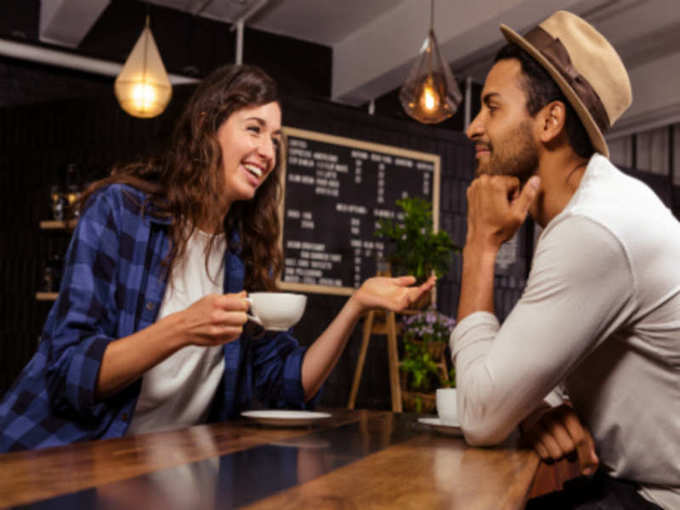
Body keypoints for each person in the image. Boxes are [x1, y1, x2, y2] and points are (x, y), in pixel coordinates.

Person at [0, 64, 434, 452]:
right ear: (208, 127)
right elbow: (68, 373)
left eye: (275, 139)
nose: (268, 151)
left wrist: (356, 305)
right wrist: (183, 328)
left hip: (155, 470)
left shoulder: (245, 250)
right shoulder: (120, 212)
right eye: (254, 129)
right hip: (59, 457)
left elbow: (289, 385)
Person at [451, 10, 679, 510]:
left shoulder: (592, 228)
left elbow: (480, 414)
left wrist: (480, 245)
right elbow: (521, 379)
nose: (473, 127)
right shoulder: (590, 212)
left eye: (492, 108)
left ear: (550, 121)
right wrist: (536, 406)